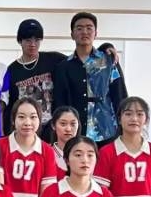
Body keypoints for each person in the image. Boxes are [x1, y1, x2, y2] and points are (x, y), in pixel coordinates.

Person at [53, 12, 127, 147]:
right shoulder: (63, 67)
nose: (84, 32)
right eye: (79, 28)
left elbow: (120, 95)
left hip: (106, 130)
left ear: (96, 33)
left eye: (89, 28)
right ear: (72, 34)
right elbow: (60, 102)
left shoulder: (108, 61)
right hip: (74, 131)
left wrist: (124, 128)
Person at [3, 19, 66, 141]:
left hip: (52, 130)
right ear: (20, 41)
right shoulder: (12, 70)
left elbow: (77, 61)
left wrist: (104, 49)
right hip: (26, 130)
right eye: (28, 40)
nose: (32, 44)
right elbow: (10, 106)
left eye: (37, 40)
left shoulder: (54, 59)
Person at [50, 106, 81, 180]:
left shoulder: (84, 153)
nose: (68, 129)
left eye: (73, 124)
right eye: (63, 124)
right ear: (53, 125)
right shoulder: (47, 152)